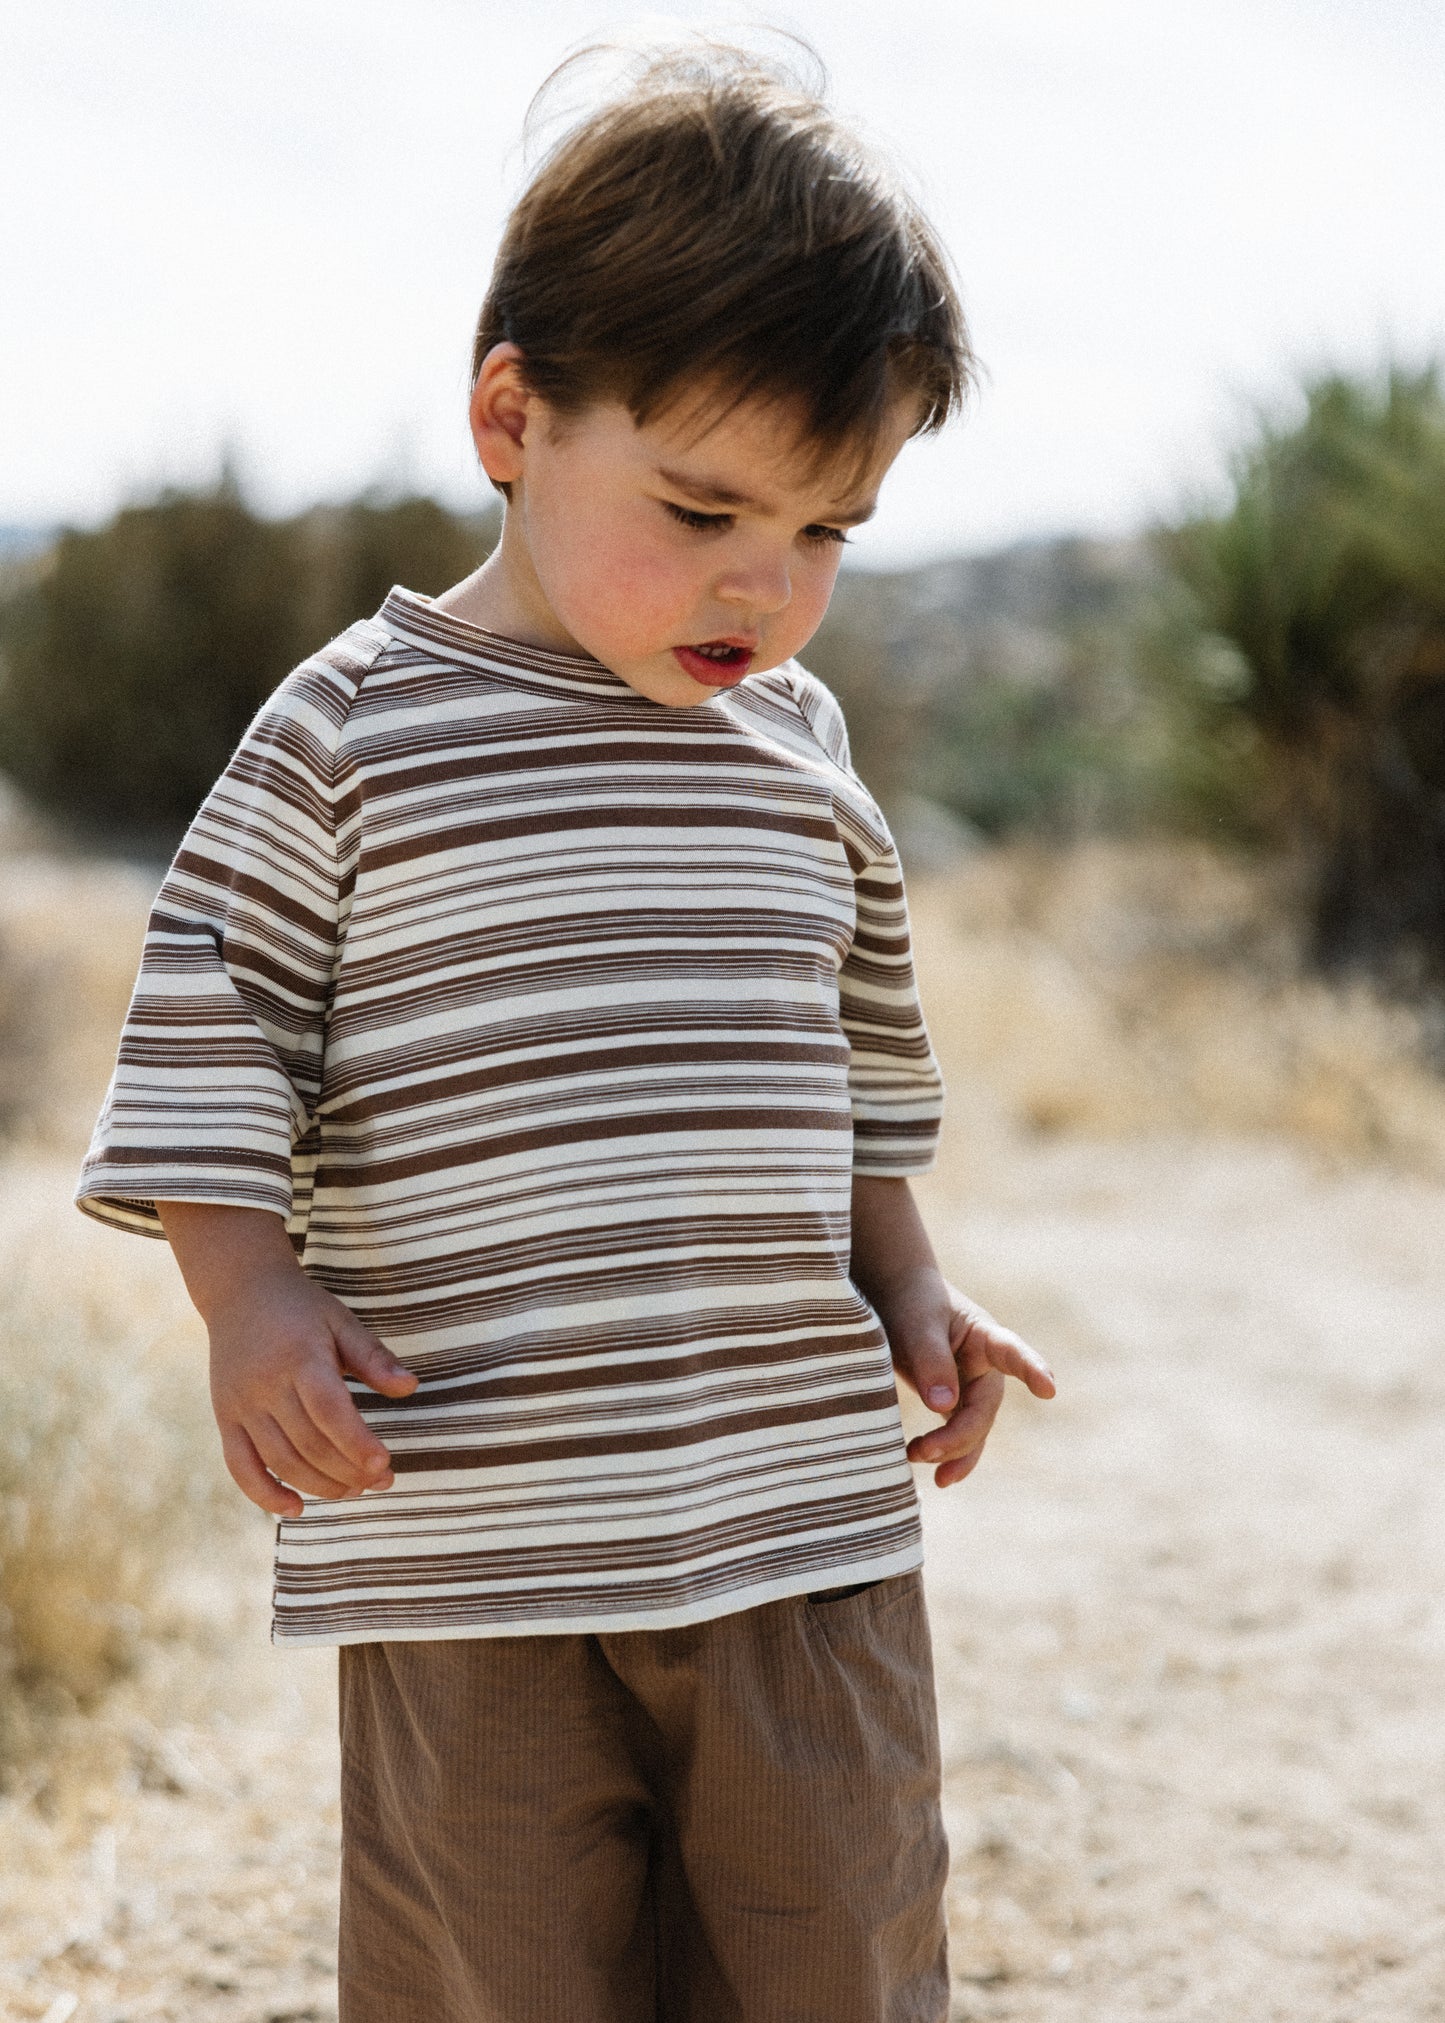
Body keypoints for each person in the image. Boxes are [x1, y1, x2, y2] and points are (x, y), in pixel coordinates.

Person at [76, 36, 1055, 2023]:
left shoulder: (800, 747)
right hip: (474, 1534)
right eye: (702, 509)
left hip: (795, 1520)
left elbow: (854, 1059)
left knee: (840, 1946)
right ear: (513, 415)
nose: (763, 587)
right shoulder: (351, 731)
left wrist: (910, 1277)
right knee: (492, 1972)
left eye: (827, 531)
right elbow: (213, 1041)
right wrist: (250, 1308)